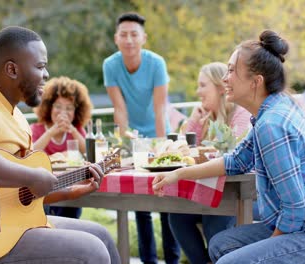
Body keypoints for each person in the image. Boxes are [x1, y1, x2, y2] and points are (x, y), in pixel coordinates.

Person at [152, 30, 305, 264]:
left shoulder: (272, 125)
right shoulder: (268, 112)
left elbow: (295, 209)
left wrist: (269, 250)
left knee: (229, 261)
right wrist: (178, 173)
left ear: (256, 81)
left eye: (231, 71)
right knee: (220, 244)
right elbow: (235, 162)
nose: (225, 78)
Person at [0, 26, 120, 264]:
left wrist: (69, 190)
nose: (47, 74)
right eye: (40, 66)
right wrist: (31, 176)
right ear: (12, 69)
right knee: (92, 251)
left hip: (11, 230)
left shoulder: (16, 115)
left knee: (102, 235)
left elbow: (19, 195)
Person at [103, 12, 179, 264]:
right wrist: (125, 143)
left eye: (134, 34)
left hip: (158, 133)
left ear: (143, 38)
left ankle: (172, 259)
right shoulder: (110, 65)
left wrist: (162, 150)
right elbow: (119, 109)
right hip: (133, 137)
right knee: (141, 204)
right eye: (123, 34)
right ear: (116, 39)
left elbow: (160, 109)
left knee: (167, 198)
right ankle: (148, 260)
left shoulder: (156, 63)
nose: (129, 40)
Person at [170, 62, 251, 264]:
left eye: (202, 85)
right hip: (215, 193)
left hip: (246, 194)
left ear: (219, 87)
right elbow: (185, 152)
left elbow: (235, 154)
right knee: (177, 214)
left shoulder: (240, 114)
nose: (198, 92)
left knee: (214, 213)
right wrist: (193, 121)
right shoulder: (205, 117)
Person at [31, 76, 92, 218]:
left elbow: (89, 153)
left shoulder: (76, 131)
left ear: (76, 112)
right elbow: (30, 153)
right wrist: (51, 131)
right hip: (46, 189)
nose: (63, 112)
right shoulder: (37, 129)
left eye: (69, 108)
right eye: (58, 106)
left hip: (70, 185)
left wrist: (73, 131)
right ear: (49, 107)